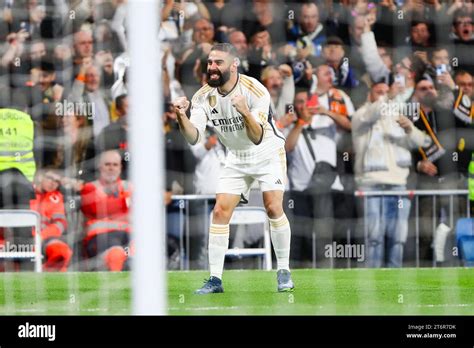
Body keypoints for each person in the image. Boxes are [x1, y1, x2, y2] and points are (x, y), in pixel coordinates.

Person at [173, 43, 294, 294]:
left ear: (234, 65)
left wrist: (245, 111)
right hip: (236, 157)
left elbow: (258, 136)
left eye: (219, 62)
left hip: (266, 152)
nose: (213, 68)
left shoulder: (254, 89)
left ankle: (283, 271)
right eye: (210, 63)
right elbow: (194, 138)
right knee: (219, 211)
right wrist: (181, 116)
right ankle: (215, 280)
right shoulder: (202, 97)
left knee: (273, 206)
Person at [352, 81, 431, 267]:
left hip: (398, 184)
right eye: (379, 92)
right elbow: (372, 113)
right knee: (374, 236)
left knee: (398, 237)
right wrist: (388, 97)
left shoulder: (397, 117)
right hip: (371, 185)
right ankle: (373, 277)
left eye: (386, 93)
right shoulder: (361, 116)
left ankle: (394, 277)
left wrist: (409, 129)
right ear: (369, 95)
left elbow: (423, 141)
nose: (383, 96)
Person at [80, 150, 132, 271]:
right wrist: (124, 205)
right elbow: (97, 209)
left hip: (129, 235)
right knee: (116, 253)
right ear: (100, 167)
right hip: (100, 237)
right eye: (107, 164)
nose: (111, 168)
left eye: (115, 165)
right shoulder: (90, 187)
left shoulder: (130, 186)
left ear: (120, 167)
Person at [30, 169, 72, 272]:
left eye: (57, 181)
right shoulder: (25, 191)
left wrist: (41, 236)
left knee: (62, 251)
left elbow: (60, 223)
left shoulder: (56, 198)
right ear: (40, 177)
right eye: (50, 178)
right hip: (22, 237)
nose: (53, 183)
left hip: (45, 238)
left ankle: (46, 275)